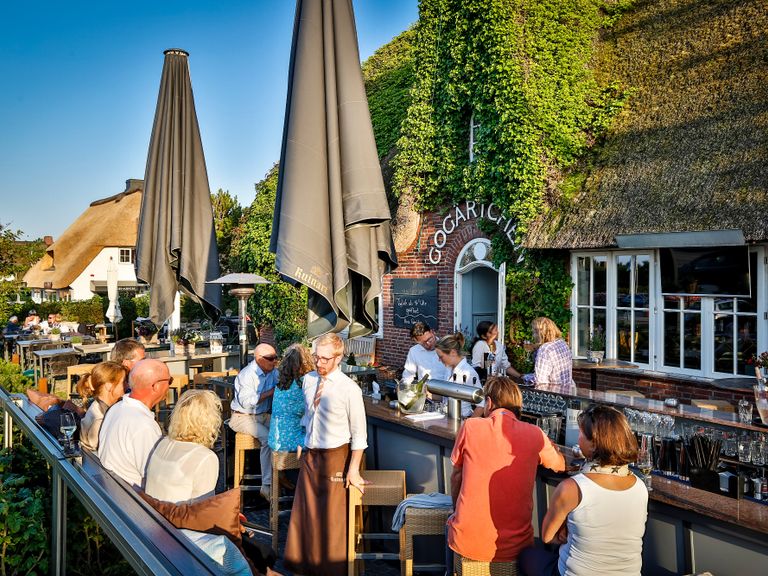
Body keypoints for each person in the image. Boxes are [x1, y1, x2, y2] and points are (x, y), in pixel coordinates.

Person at [518, 405, 648, 576]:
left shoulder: (572, 488)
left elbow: (548, 536)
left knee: (525, 557)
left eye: (580, 433)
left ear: (593, 444)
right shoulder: (640, 487)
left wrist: (566, 531)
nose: (577, 437)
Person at [449, 376, 565, 565]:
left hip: (469, 542)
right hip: (517, 547)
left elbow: (456, 477)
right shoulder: (535, 433)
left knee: (452, 524)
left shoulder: (470, 426)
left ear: (488, 403)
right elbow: (560, 465)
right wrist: (551, 446)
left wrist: (455, 510)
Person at [284, 333, 367, 576]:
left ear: (338, 358)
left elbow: (359, 434)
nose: (319, 363)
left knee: (331, 516)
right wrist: (304, 440)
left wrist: (353, 469)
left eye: (325, 359)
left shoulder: (349, 389)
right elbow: (308, 415)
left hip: (336, 456)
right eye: (316, 357)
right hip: (311, 454)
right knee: (307, 510)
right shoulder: (309, 380)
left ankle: (330, 569)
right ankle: (305, 565)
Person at [97, 359, 170, 487]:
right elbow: (155, 478)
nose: (169, 386)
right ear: (156, 386)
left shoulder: (117, 408)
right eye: (169, 381)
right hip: (131, 496)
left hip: (112, 488)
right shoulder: (143, 425)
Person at [145, 390, 222, 502]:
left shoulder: (163, 444)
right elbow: (203, 507)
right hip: (175, 513)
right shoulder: (205, 457)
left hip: (150, 510)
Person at [228, 343, 279, 499]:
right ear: (258, 359)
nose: (274, 361)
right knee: (268, 439)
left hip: (262, 415)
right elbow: (246, 403)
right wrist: (270, 392)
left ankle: (281, 476)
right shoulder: (247, 374)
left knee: (283, 432)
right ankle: (267, 485)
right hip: (242, 417)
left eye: (276, 357)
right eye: (271, 358)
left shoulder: (273, 371)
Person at [268, 343, 313, 455]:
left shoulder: (281, 384)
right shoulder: (305, 383)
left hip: (274, 440)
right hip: (291, 442)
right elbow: (312, 410)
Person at [77, 361, 129, 451]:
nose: (127, 385)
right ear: (109, 386)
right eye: (124, 382)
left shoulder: (102, 407)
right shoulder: (99, 419)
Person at [435, 332, 482, 418]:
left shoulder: (469, 373)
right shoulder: (448, 369)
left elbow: (481, 405)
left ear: (453, 352)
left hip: (462, 419)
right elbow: (447, 397)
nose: (439, 360)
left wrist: (468, 424)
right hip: (447, 418)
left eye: (441, 357)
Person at [530, 317, 574, 390]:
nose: (533, 336)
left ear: (540, 333)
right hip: (568, 391)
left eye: (534, 332)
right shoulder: (562, 343)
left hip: (553, 393)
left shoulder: (545, 349)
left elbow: (541, 382)